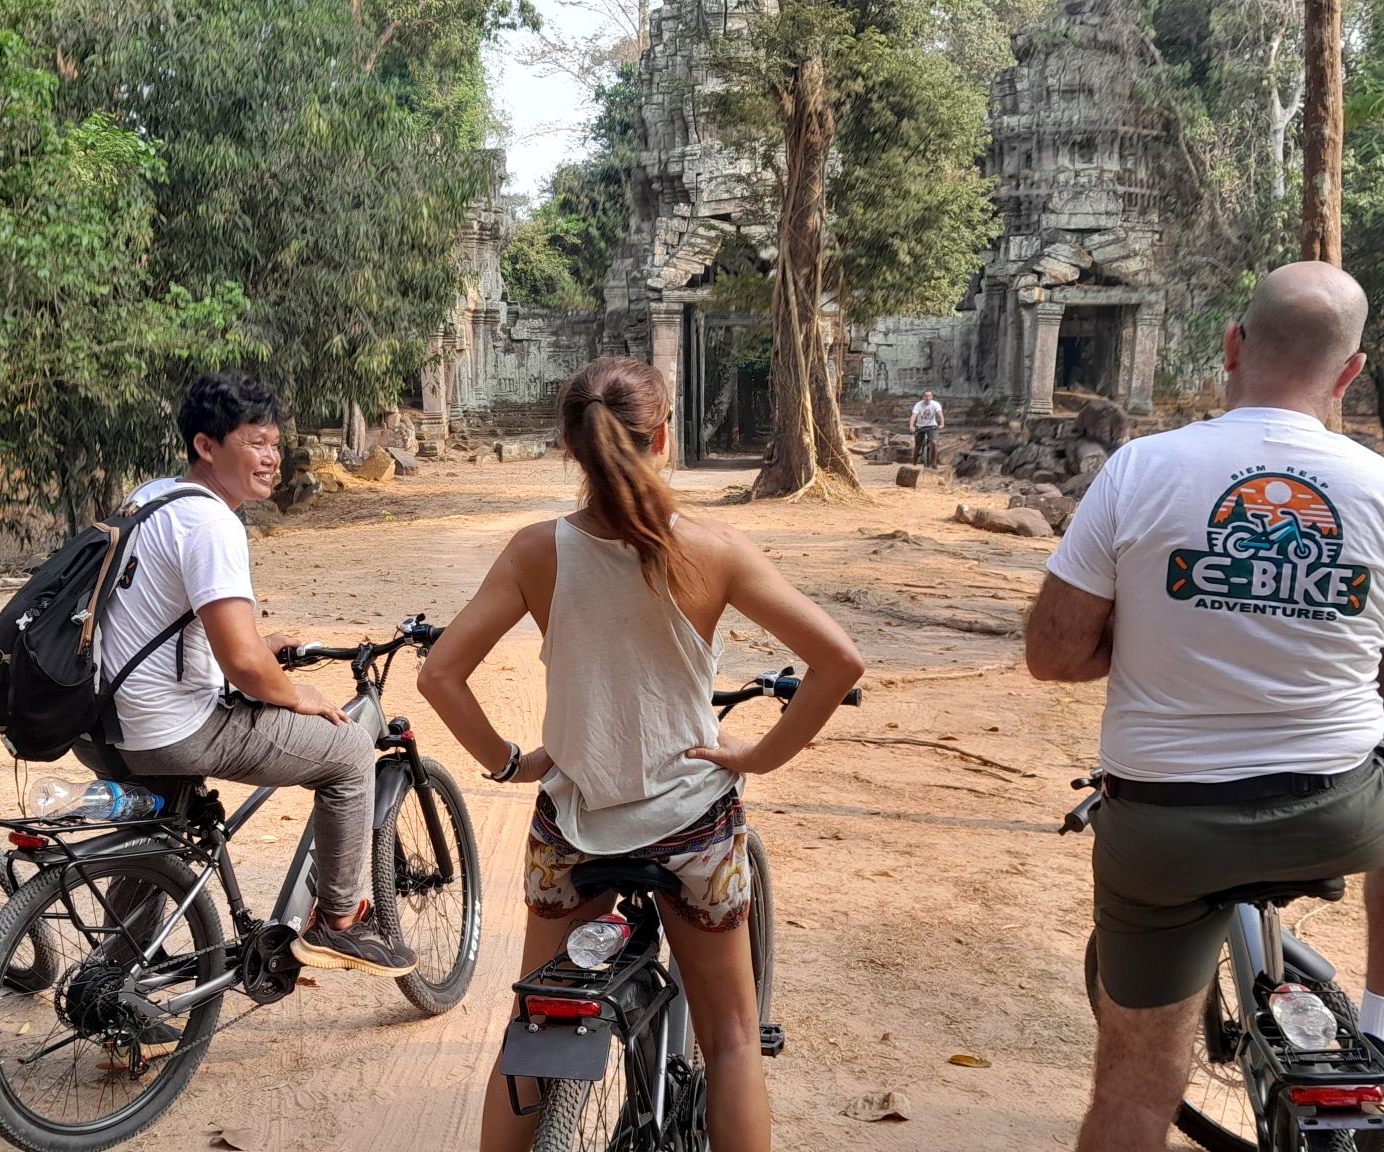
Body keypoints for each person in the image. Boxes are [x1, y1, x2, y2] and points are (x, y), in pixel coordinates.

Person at [1024, 262, 1384, 1152]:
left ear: (1233, 344)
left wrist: (1158, 640)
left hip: (1162, 834)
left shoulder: (1140, 470)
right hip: (1342, 810)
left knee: (1135, 1084)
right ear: (1349, 373)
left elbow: (1053, 654)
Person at [418, 356, 865, 1152]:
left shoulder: (534, 553)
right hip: (692, 827)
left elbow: (440, 674)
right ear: (664, 435)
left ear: (570, 445)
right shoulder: (716, 549)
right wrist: (759, 756)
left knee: (532, 1025)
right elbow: (839, 662)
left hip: (574, 830)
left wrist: (508, 760)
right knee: (731, 1040)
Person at [96, 368, 414, 979]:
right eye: (254, 442)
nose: (271, 457)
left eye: (273, 442)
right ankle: (340, 922)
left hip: (110, 720)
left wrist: (259, 645)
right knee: (348, 750)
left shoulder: (149, 499)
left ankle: (112, 984)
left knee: (164, 829)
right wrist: (294, 691)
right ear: (206, 446)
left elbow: (162, 621)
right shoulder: (213, 522)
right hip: (172, 725)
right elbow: (243, 666)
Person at [910, 389, 944, 467]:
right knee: (918, 446)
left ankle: (934, 463)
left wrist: (942, 424)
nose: (927, 397)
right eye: (926, 396)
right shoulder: (918, 405)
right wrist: (911, 426)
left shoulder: (935, 404)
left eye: (929, 396)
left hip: (932, 426)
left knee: (934, 443)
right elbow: (914, 416)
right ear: (923, 397)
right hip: (920, 426)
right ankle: (914, 462)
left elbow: (940, 414)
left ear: (932, 397)